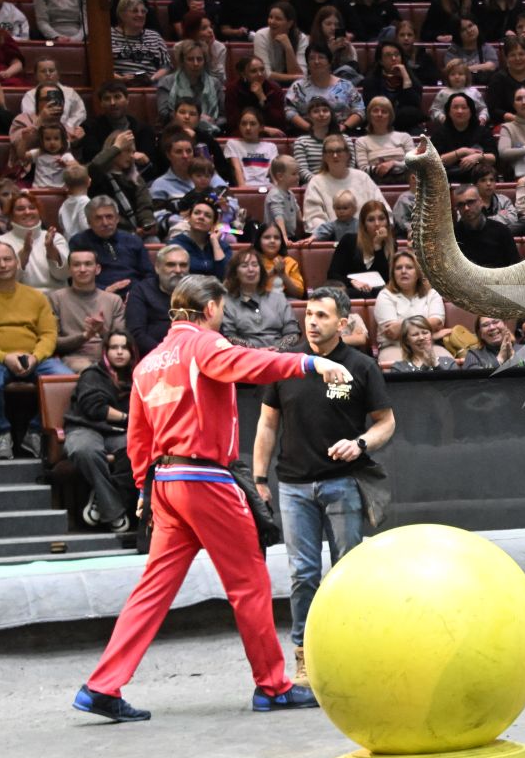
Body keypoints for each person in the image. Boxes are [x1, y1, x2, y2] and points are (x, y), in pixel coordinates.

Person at [74, 275, 354, 722]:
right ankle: (273, 686)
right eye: (221, 310)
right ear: (208, 309)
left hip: (166, 483)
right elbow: (247, 364)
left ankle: (102, 685)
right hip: (205, 480)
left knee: (151, 591)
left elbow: (138, 437)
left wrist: (146, 489)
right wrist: (308, 364)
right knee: (249, 584)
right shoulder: (204, 345)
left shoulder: (148, 364)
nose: (222, 318)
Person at [251, 285, 393, 686]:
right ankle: (305, 654)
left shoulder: (362, 366)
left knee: (349, 570)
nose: (312, 322)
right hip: (294, 486)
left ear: (343, 323)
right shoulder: (285, 364)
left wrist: (360, 443)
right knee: (303, 574)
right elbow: (266, 424)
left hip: (343, 483)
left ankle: (355, 650)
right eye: (309, 314)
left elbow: (386, 422)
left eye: (323, 316)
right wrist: (260, 479)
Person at [0, 239, 72, 458]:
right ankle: (1, 432)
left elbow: (49, 334)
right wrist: (3, 357)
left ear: (17, 262)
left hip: (35, 357)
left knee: (66, 381)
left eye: (7, 259)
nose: (2, 265)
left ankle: (36, 431)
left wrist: (36, 357)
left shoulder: (36, 297)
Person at [63, 329, 136, 531]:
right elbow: (95, 409)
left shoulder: (137, 377)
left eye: (124, 348)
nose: (119, 352)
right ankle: (113, 511)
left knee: (139, 451)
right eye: (114, 348)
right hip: (85, 427)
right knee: (85, 451)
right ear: (105, 351)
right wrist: (128, 418)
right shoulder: (93, 374)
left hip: (118, 432)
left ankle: (100, 500)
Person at [50, 247, 128, 370]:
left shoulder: (113, 300)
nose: (82, 269)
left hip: (110, 357)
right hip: (74, 358)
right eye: (76, 265)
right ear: (69, 270)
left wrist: (102, 331)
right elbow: (53, 343)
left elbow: (122, 342)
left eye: (88, 264)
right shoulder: (56, 298)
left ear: (97, 269)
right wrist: (85, 335)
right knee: (89, 369)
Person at [374, 250, 448, 366]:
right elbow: (393, 333)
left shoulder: (432, 293)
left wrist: (402, 326)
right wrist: (427, 324)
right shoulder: (385, 295)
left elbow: (437, 323)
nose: (403, 271)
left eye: (409, 267)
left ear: (418, 273)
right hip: (395, 346)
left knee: (448, 363)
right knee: (401, 369)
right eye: (398, 268)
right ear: (393, 273)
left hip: (429, 345)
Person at [127, 244, 191, 356]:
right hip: (153, 357)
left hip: (191, 355)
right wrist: (166, 354)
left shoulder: (196, 291)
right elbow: (136, 333)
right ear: (157, 268)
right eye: (171, 265)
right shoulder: (141, 291)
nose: (178, 270)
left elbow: (210, 330)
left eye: (183, 265)